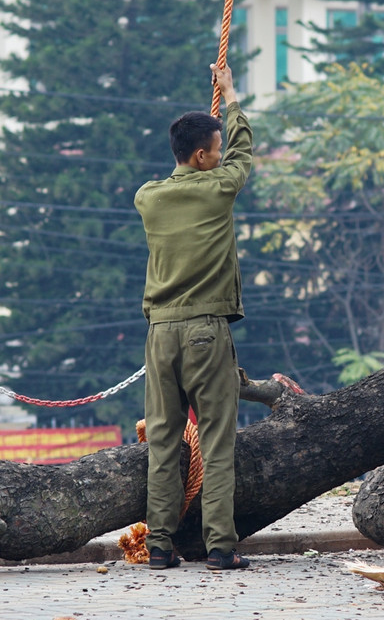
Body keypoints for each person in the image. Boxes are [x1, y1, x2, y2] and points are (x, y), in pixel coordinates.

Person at [134, 63, 252, 571]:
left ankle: (159, 546)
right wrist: (229, 96)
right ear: (203, 156)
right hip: (207, 331)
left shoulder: (148, 198)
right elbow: (244, 151)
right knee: (215, 441)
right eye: (216, 150)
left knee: (162, 442)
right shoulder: (217, 187)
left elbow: (228, 154)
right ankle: (220, 547)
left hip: (160, 334)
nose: (222, 155)